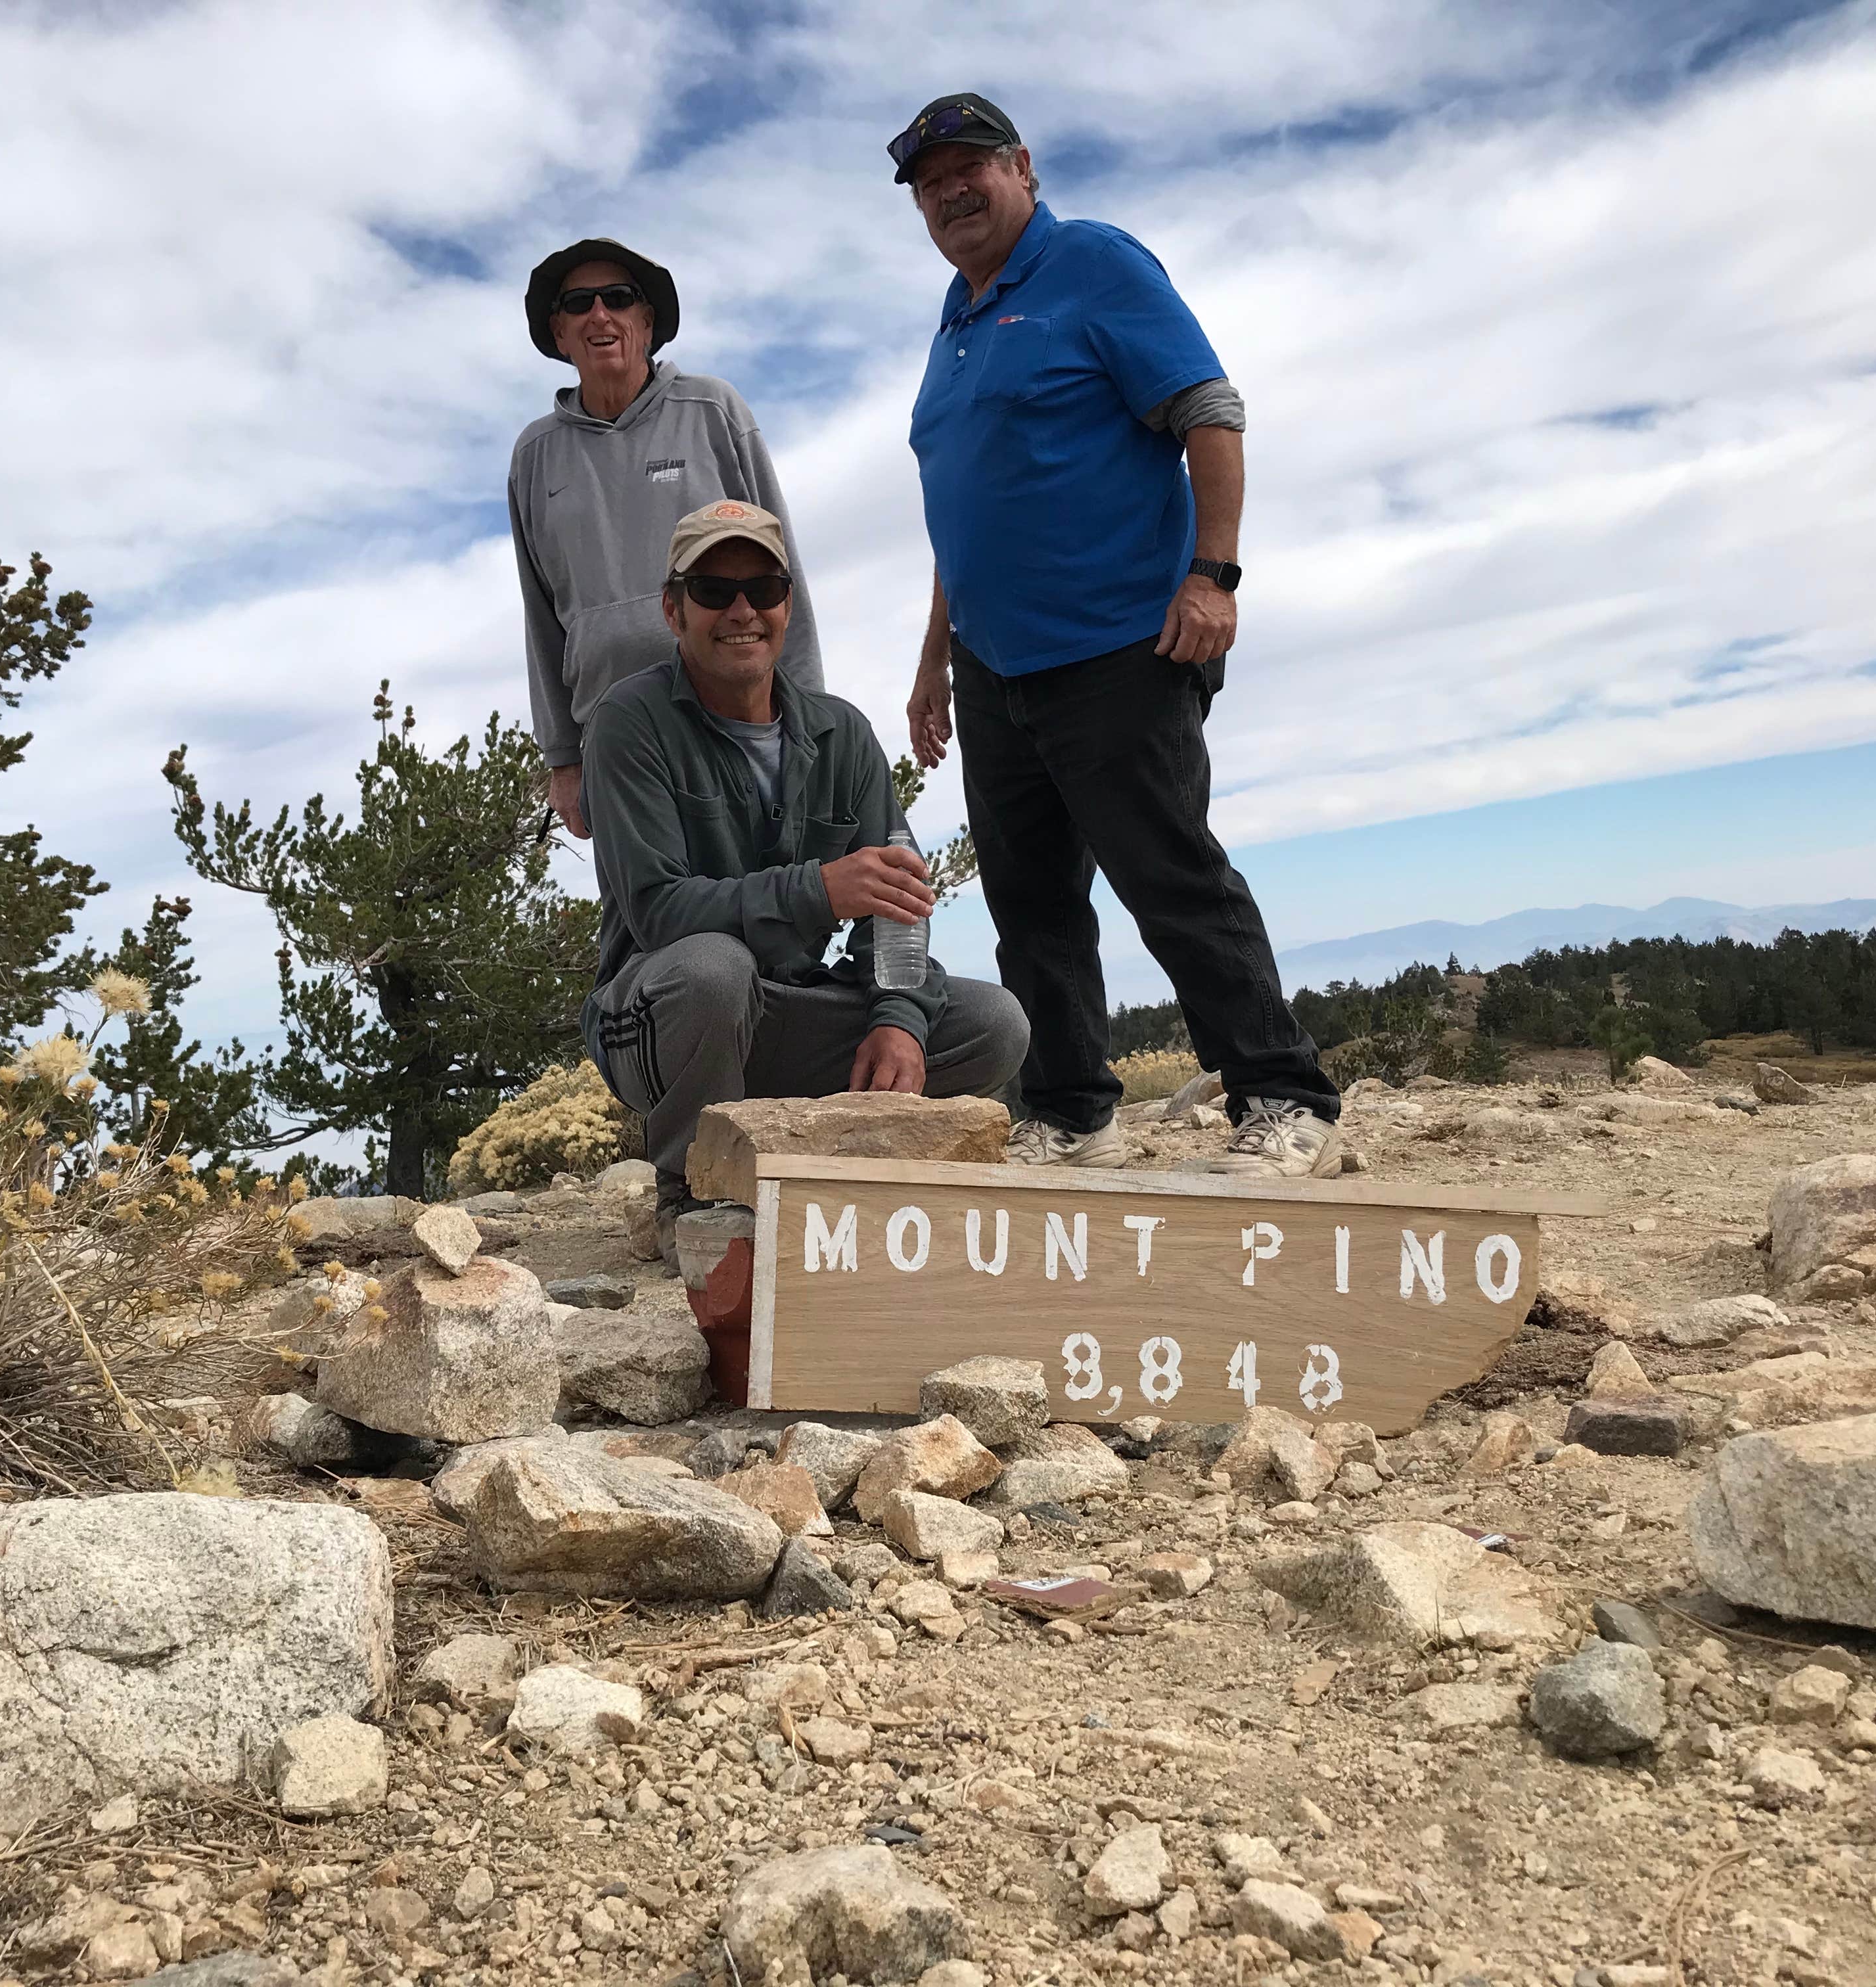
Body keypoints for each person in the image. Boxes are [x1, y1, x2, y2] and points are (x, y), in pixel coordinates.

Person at [887, 93, 1344, 1179]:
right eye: (926, 179)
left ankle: (1283, 1097)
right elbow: (970, 508)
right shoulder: (956, 319)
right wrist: (933, 661)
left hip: (1117, 646)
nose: (950, 189)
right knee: (1031, 906)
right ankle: (1070, 1112)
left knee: (1168, 875)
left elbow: (1209, 412)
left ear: (1023, 168)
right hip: (994, 666)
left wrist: (1213, 572)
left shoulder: (1092, 263)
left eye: (970, 166)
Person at [582, 499, 1029, 1254]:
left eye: (764, 587)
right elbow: (659, 912)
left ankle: (840, 1173)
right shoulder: (628, 723)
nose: (742, 610)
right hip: (660, 1020)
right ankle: (693, 1198)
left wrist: (898, 1019)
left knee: (995, 1023)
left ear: (789, 604)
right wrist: (817, 889)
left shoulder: (843, 734)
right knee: (713, 970)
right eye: (714, 591)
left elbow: (900, 902)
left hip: (786, 1012)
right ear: (673, 608)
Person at [510, 239, 825, 843]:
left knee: (768, 910)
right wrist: (562, 757)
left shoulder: (713, 411)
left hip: (735, 716)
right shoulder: (533, 456)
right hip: (613, 737)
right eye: (579, 304)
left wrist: (812, 720)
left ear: (647, 321)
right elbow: (541, 618)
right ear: (559, 331)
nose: (600, 315)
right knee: (647, 922)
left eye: (620, 299)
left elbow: (784, 578)